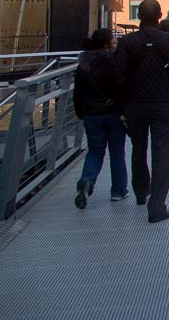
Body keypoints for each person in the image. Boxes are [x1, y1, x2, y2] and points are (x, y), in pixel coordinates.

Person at [115, 0, 169, 224]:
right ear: (159, 16)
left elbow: (118, 75)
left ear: (139, 16)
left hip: (135, 105)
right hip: (164, 104)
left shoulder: (127, 42)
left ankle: (140, 192)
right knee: (163, 154)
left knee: (138, 148)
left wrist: (122, 106)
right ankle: (156, 206)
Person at [73, 28, 127, 209]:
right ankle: (118, 191)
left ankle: (87, 181)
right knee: (117, 152)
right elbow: (121, 88)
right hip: (113, 114)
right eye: (113, 41)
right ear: (106, 45)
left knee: (95, 152)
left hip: (91, 115)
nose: (115, 44)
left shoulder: (83, 64)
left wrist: (81, 112)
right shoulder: (114, 62)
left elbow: (77, 93)